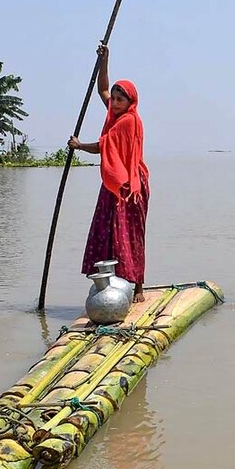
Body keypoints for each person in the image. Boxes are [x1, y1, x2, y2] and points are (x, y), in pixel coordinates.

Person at [68, 44, 150, 303]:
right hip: (113, 183)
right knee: (108, 232)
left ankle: (137, 286)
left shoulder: (128, 120)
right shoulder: (115, 112)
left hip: (129, 187)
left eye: (119, 99)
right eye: (113, 99)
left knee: (129, 233)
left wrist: (79, 146)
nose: (113, 103)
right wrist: (105, 59)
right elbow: (102, 88)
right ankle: (112, 282)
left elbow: (104, 147)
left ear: (130, 102)